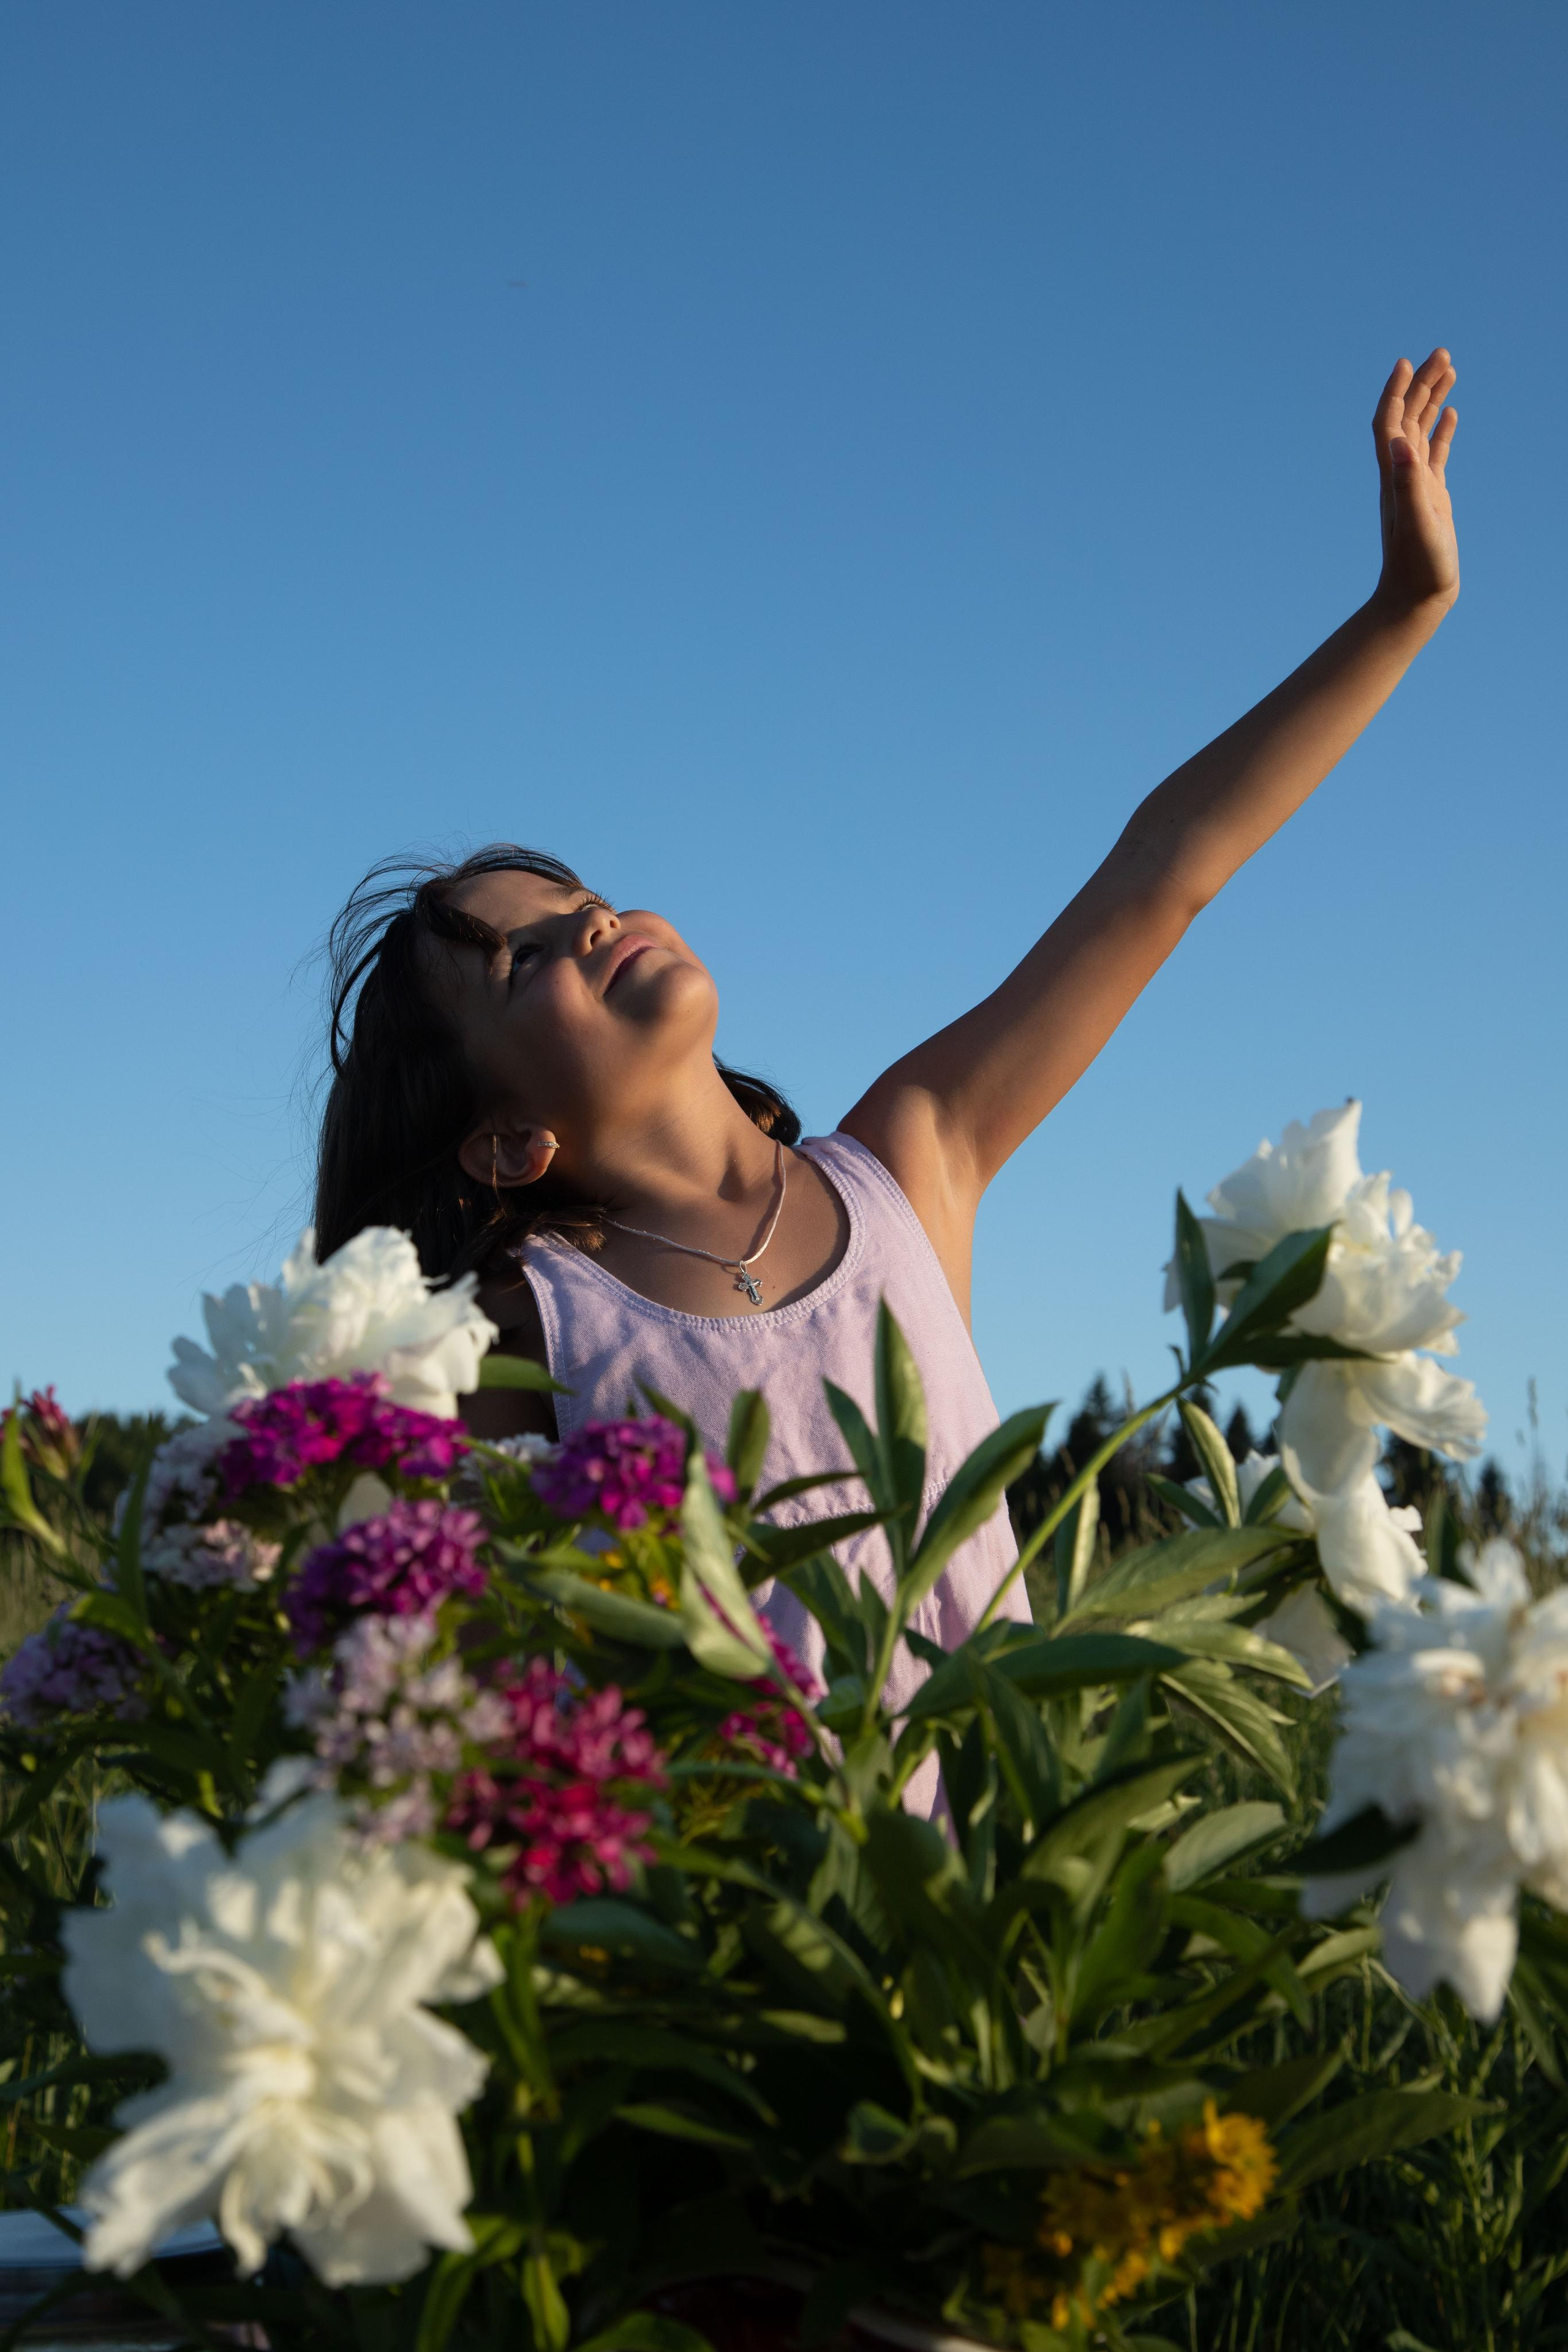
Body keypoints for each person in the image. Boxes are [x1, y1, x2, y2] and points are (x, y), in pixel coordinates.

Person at [312, 350, 1460, 1784]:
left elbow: (1162, 871)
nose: (589, 923)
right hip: (758, 1917)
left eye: (582, 897)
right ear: (500, 1141)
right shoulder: (515, 1333)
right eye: (520, 957)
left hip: (996, 1884)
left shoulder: (908, 1160)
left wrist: (1400, 612)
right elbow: (447, 1696)